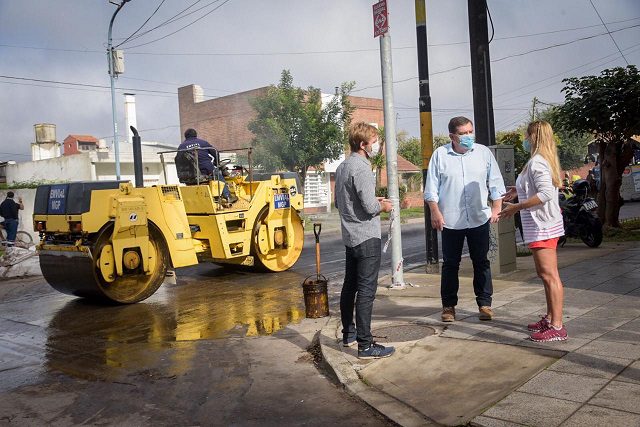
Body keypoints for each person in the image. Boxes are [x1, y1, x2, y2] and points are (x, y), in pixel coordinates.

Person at [424, 116, 506, 322]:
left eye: (470, 131)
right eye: (463, 133)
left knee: (482, 261)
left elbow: (495, 181)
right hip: (450, 220)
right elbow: (431, 188)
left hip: (479, 217)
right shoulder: (440, 155)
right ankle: (449, 307)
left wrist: (497, 208)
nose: (469, 136)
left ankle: (485, 304)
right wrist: (435, 211)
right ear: (452, 136)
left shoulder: (483, 153)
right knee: (451, 264)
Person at [500, 120, 567, 342]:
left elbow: (545, 194)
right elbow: (536, 189)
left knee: (550, 276)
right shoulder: (539, 160)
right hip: (541, 226)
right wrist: (517, 191)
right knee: (545, 275)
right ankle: (550, 319)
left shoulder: (538, 162)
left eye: (527, 136)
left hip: (543, 227)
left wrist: (516, 207)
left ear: (534, 137)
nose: (525, 140)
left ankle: (557, 327)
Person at [335, 122, 394, 359]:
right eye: (375, 141)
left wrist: (371, 200)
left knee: (350, 286)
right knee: (367, 291)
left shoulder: (342, 167)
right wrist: (384, 205)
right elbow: (370, 207)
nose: (377, 145)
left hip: (350, 237)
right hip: (367, 237)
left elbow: (342, 203)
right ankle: (366, 345)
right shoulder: (361, 167)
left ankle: (349, 334)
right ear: (363, 144)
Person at [178, 128, 236, 203]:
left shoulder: (181, 147)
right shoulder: (203, 143)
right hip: (205, 170)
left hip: (189, 174)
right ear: (196, 135)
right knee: (219, 175)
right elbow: (215, 152)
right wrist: (216, 161)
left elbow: (178, 159)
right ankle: (228, 196)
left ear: (185, 136)